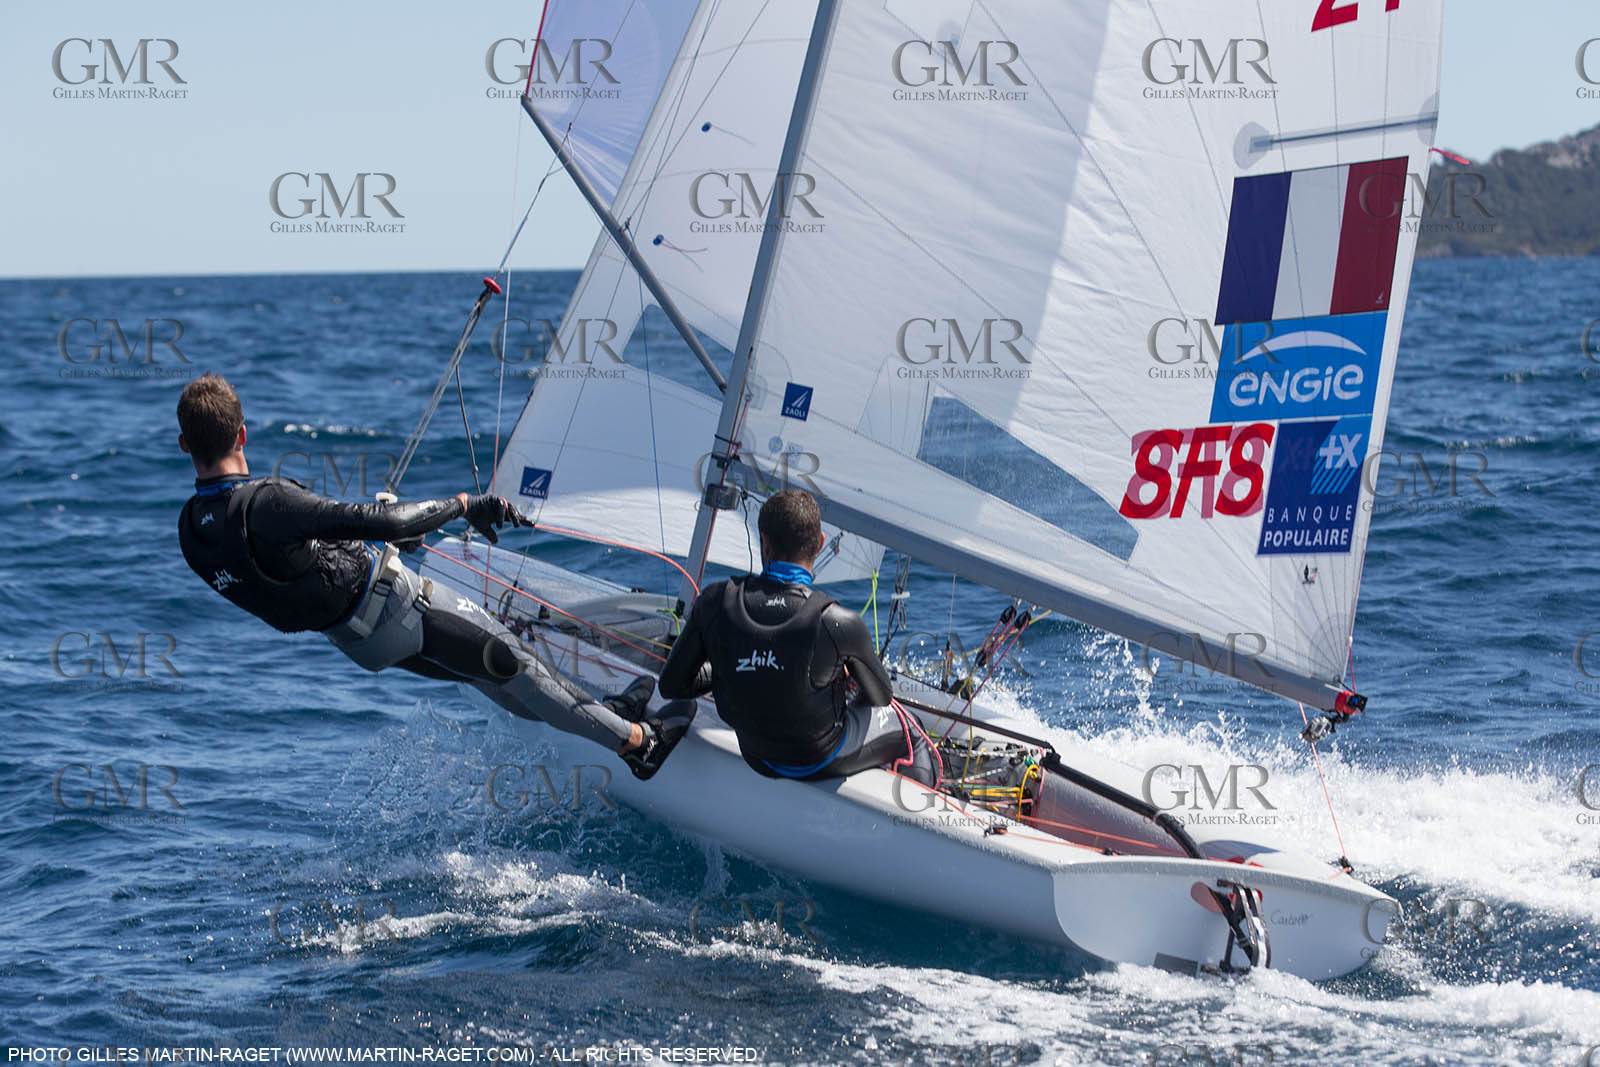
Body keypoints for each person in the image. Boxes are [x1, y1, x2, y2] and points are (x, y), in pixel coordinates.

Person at [174, 373, 690, 780]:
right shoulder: (267, 503)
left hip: (362, 643)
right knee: (520, 667)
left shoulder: (193, 531)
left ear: (183, 444)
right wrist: (464, 505)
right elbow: (387, 522)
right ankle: (639, 745)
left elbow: (287, 573)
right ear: (242, 433)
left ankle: (607, 715)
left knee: (498, 680)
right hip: (403, 609)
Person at [658, 489, 935, 784]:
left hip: (758, 757)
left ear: (763, 541)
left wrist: (740, 661)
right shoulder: (838, 622)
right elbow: (880, 697)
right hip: (819, 759)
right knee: (912, 730)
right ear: (820, 544)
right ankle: (920, 818)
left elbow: (672, 684)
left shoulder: (715, 600)